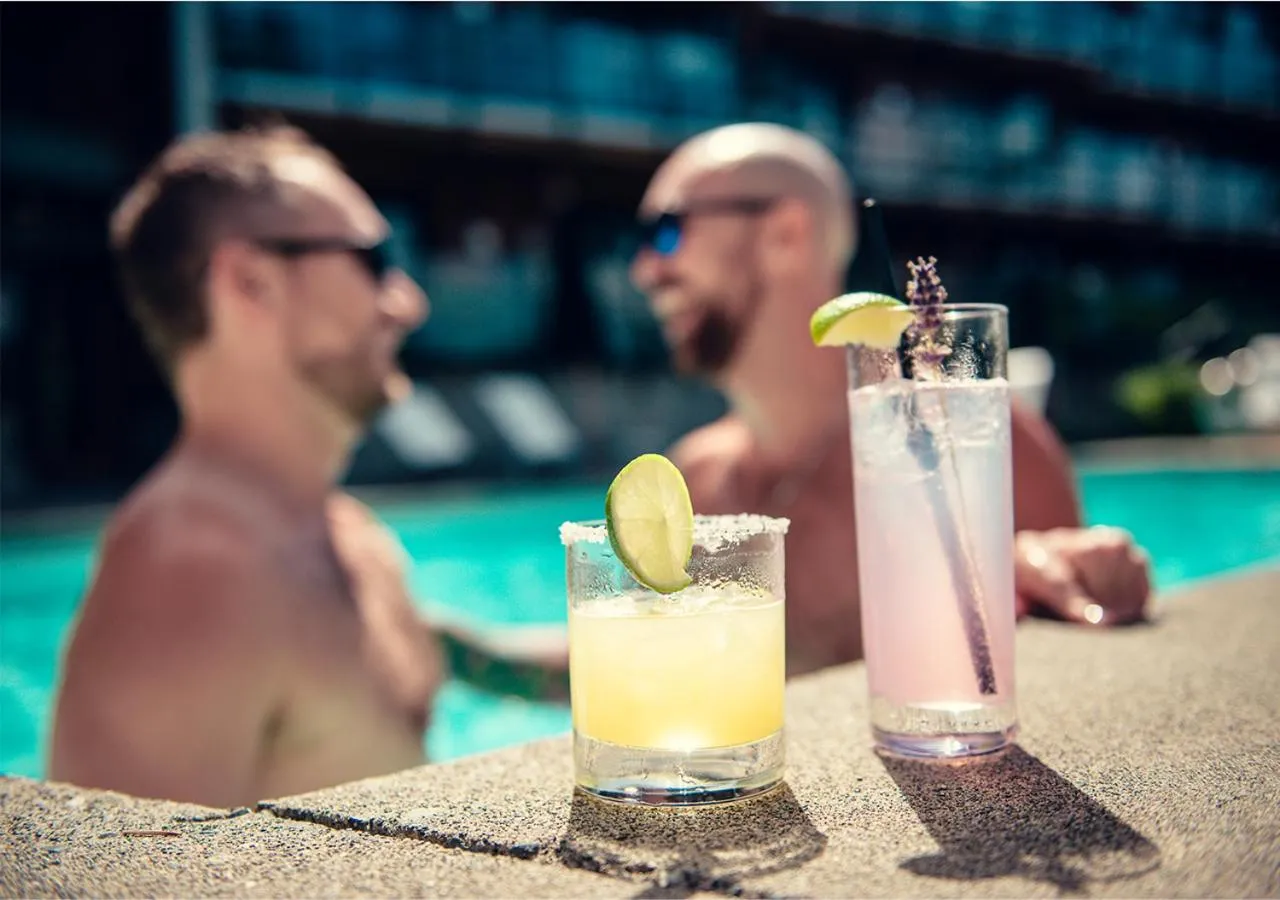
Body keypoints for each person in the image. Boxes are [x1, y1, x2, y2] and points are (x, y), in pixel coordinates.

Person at [49, 126, 566, 810]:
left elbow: (451, 658)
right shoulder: (187, 573)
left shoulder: (335, 531)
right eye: (373, 260)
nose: (408, 304)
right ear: (249, 281)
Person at [629, 123, 1152, 677]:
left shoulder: (965, 444)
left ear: (785, 233)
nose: (645, 270)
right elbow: (643, 664)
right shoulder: (695, 481)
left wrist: (1084, 568)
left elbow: (1075, 652)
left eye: (667, 230)